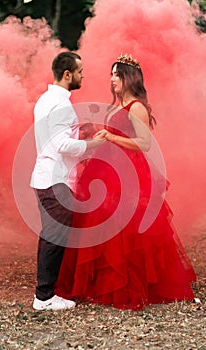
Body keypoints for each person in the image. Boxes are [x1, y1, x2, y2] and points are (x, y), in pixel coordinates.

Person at [55, 53, 196, 310]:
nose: (111, 80)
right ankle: (101, 283)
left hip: (129, 172)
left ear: (128, 78)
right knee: (100, 220)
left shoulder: (137, 107)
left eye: (116, 75)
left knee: (127, 225)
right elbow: (114, 134)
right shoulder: (119, 106)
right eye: (111, 75)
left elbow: (144, 144)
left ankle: (132, 284)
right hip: (108, 169)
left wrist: (111, 137)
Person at [30, 51, 105, 311]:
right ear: (67, 74)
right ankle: (44, 297)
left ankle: (48, 293)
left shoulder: (45, 99)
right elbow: (61, 144)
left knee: (53, 236)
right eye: (81, 71)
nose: (84, 75)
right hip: (56, 180)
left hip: (46, 176)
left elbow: (56, 138)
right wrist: (93, 144)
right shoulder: (61, 103)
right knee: (54, 237)